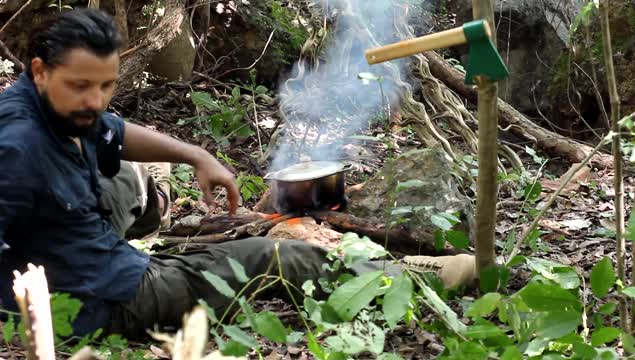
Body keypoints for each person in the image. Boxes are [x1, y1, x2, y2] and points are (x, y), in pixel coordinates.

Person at [0, 8, 476, 340]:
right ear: (41, 70)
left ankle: (150, 211)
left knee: (132, 171)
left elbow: (114, 130)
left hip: (64, 246)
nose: (96, 101)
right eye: (81, 86)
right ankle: (395, 277)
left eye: (106, 86)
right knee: (273, 256)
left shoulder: (45, 102)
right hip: (105, 295)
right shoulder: (18, 150)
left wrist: (197, 156)